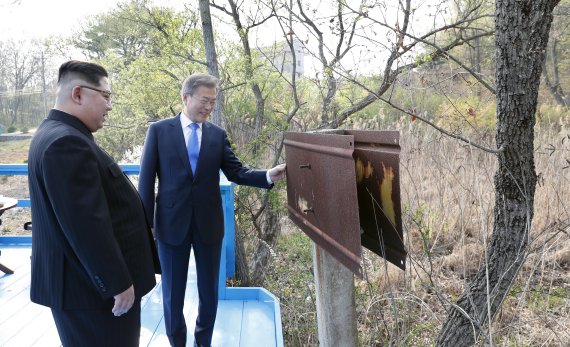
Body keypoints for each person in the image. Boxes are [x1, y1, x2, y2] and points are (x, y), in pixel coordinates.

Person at [138, 73, 286, 347]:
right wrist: (143, 226)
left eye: (213, 102)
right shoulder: (159, 131)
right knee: (173, 293)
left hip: (209, 224)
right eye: (204, 100)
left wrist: (267, 175)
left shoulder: (217, 135)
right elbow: (146, 180)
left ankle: (202, 342)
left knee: (209, 292)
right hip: (171, 224)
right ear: (186, 97)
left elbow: (236, 171)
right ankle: (177, 342)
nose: (209, 107)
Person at [27, 60, 161, 347]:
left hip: (83, 288)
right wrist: (117, 284)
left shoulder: (57, 134)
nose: (109, 106)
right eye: (106, 95)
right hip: (92, 294)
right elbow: (86, 226)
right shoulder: (66, 143)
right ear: (78, 94)